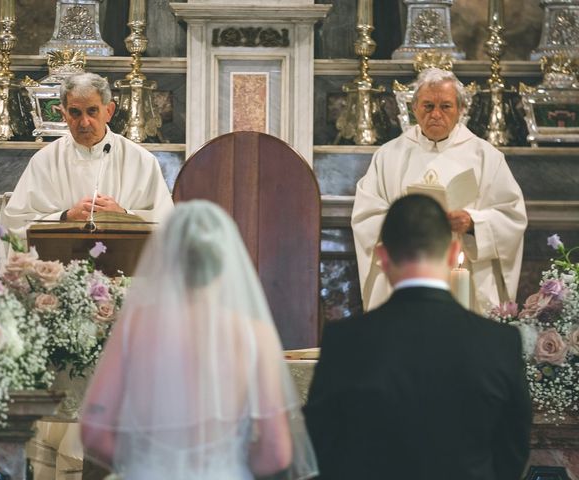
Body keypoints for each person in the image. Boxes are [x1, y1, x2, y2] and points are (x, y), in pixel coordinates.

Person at [80, 200, 318, 480]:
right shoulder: (255, 334)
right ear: (226, 261)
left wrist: (145, 464)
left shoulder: (135, 325)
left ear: (167, 259)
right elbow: (276, 453)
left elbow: (94, 432)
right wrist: (228, 466)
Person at [304, 194, 532, 480]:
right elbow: (513, 449)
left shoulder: (344, 341)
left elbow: (321, 445)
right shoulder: (500, 342)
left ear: (383, 257)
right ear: (452, 254)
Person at [351, 67, 527, 313]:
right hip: (406, 272)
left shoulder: (486, 156)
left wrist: (473, 222)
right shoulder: (388, 155)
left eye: (445, 106)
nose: (436, 114)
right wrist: (403, 223)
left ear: (460, 110)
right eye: (427, 106)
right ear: (414, 109)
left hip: (463, 272)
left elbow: (512, 217)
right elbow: (364, 216)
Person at [0, 72, 173, 270]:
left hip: (125, 275)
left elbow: (168, 224)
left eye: (92, 111)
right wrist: (65, 217)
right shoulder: (44, 161)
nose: (84, 122)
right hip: (61, 278)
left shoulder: (141, 161)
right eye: (75, 112)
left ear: (109, 111)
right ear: (63, 114)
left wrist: (123, 215)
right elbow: (15, 225)